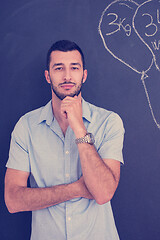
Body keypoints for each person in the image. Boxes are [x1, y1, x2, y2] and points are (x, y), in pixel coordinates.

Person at [5, 40, 125, 240]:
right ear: (47, 76)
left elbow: (103, 193)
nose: (67, 76)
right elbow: (13, 200)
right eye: (59, 68)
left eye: (74, 68)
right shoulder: (26, 127)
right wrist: (76, 189)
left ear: (84, 75)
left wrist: (79, 127)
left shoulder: (109, 122)